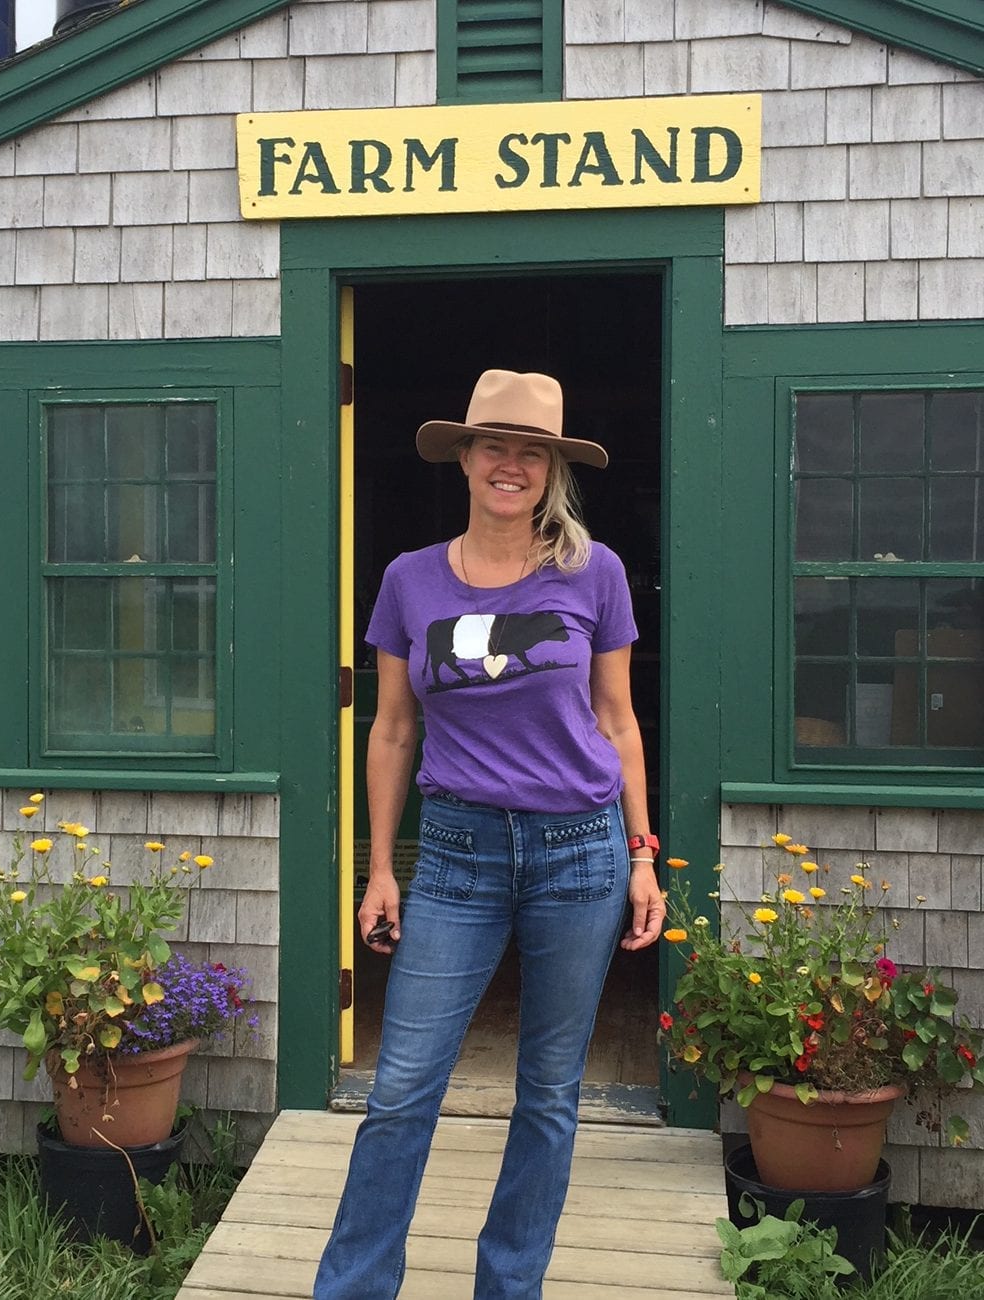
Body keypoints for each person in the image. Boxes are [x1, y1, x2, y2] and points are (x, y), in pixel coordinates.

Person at [313, 368, 665, 1300]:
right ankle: (351, 1287)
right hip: (459, 854)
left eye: (533, 453)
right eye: (495, 447)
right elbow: (392, 729)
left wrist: (641, 855)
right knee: (398, 1095)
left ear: (552, 471)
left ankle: (509, 1288)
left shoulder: (596, 573)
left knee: (548, 1097)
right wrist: (379, 868)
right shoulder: (409, 580)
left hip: (579, 853)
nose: (513, 466)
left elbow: (619, 721)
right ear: (465, 458)